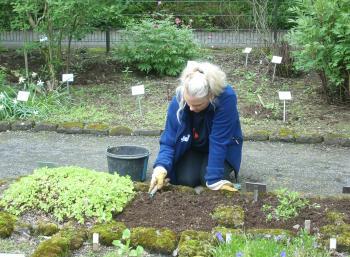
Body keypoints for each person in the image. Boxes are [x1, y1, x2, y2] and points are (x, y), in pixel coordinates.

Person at [149, 61, 243, 193]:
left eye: (198, 105)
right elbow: (169, 139)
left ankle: (210, 173)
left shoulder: (226, 98)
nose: (192, 108)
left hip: (223, 147)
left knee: (208, 182)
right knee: (185, 180)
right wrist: (161, 167)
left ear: (211, 97)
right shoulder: (179, 100)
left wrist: (214, 180)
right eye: (189, 103)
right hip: (194, 146)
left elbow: (219, 140)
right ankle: (201, 167)